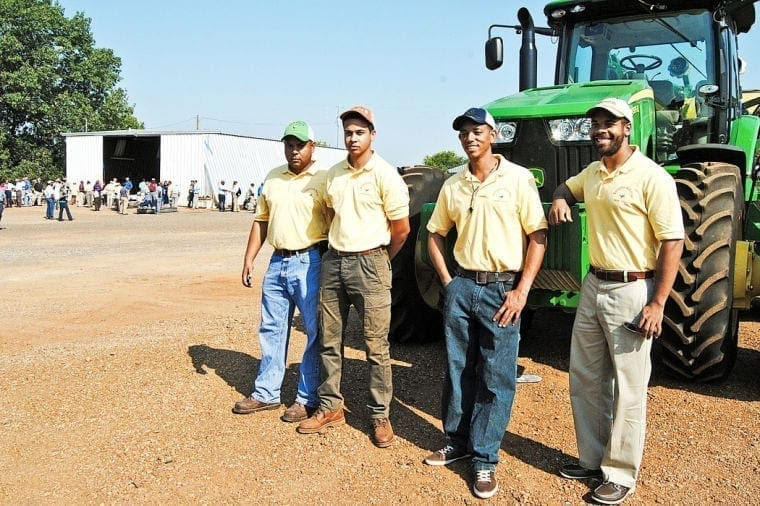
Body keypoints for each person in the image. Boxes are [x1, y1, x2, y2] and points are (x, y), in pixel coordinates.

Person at [548, 98, 684, 505]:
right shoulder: (593, 172)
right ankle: (592, 459)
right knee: (586, 377)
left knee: (629, 385)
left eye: (609, 124)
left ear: (627, 127)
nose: (600, 130)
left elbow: (672, 241)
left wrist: (657, 303)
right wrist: (559, 198)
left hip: (632, 288)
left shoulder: (652, 177)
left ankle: (621, 473)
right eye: (595, 124)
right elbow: (565, 187)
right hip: (593, 286)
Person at [424, 107, 548, 499]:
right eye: (463, 133)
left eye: (477, 131)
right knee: (458, 368)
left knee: (497, 377)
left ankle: (484, 460)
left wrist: (521, 290)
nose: (469, 138)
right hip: (463, 286)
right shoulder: (454, 184)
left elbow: (538, 235)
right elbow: (434, 234)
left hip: (501, 290)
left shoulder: (517, 179)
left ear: (493, 134)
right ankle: (456, 443)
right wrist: (448, 282)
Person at [297, 106, 410, 448]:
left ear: (372, 134)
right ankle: (330, 406)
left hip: (371, 263)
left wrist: (378, 261)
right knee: (330, 341)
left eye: (359, 132)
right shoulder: (334, 174)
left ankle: (379, 415)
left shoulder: (385, 174)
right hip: (334, 262)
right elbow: (331, 214)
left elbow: (401, 230)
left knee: (376, 346)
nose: (352, 138)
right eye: (348, 132)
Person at [234, 121, 329, 423]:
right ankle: (266, 393)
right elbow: (261, 220)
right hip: (277, 263)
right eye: (289, 144)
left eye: (300, 144)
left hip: (310, 261)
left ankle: (306, 398)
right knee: (272, 328)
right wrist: (250, 258)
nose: (294, 150)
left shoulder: (325, 179)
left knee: (314, 331)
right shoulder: (273, 177)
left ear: (313, 147)